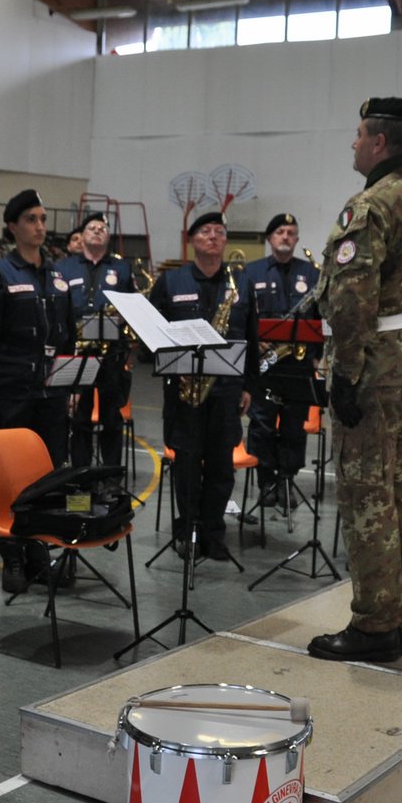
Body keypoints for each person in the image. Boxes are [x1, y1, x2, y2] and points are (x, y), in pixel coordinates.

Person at [308, 97, 402, 663]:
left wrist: (347, 373)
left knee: (367, 498)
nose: (352, 143)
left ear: (379, 143)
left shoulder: (370, 207)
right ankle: (396, 620)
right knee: (400, 498)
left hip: (372, 371)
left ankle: (373, 626)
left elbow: (350, 301)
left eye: (358, 135)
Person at [0, 189, 75, 592]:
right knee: (13, 479)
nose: (40, 227)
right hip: (12, 391)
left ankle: (39, 555)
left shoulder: (58, 277)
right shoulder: (1, 275)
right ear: (13, 227)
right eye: (31, 219)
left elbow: (67, 337)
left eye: (42, 219)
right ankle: (12, 558)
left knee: (48, 477)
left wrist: (73, 384)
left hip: (52, 394)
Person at [149, 211, 259, 564]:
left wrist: (249, 387)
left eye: (219, 232)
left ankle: (213, 534)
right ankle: (187, 532)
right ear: (192, 240)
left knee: (220, 467)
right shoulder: (171, 282)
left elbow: (252, 339)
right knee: (186, 466)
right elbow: (150, 334)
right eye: (205, 231)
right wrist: (170, 366)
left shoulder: (240, 283)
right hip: (184, 392)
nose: (213, 236)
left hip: (226, 390)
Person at [244, 213, 319, 508]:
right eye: (279, 232)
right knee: (261, 425)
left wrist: (315, 356)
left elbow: (321, 320)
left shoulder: (311, 274)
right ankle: (267, 483)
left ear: (297, 239)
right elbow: (244, 315)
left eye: (291, 232)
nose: (285, 236)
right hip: (263, 365)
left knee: (293, 427)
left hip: (297, 365)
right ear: (269, 238)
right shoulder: (251, 272)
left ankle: (287, 480)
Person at [56, 211, 133, 469]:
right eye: (92, 227)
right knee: (79, 417)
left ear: (108, 236)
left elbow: (133, 307)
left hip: (112, 354)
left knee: (112, 418)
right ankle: (80, 474)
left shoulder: (122, 268)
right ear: (82, 235)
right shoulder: (64, 268)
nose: (98, 230)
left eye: (102, 227)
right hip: (77, 354)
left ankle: (111, 476)